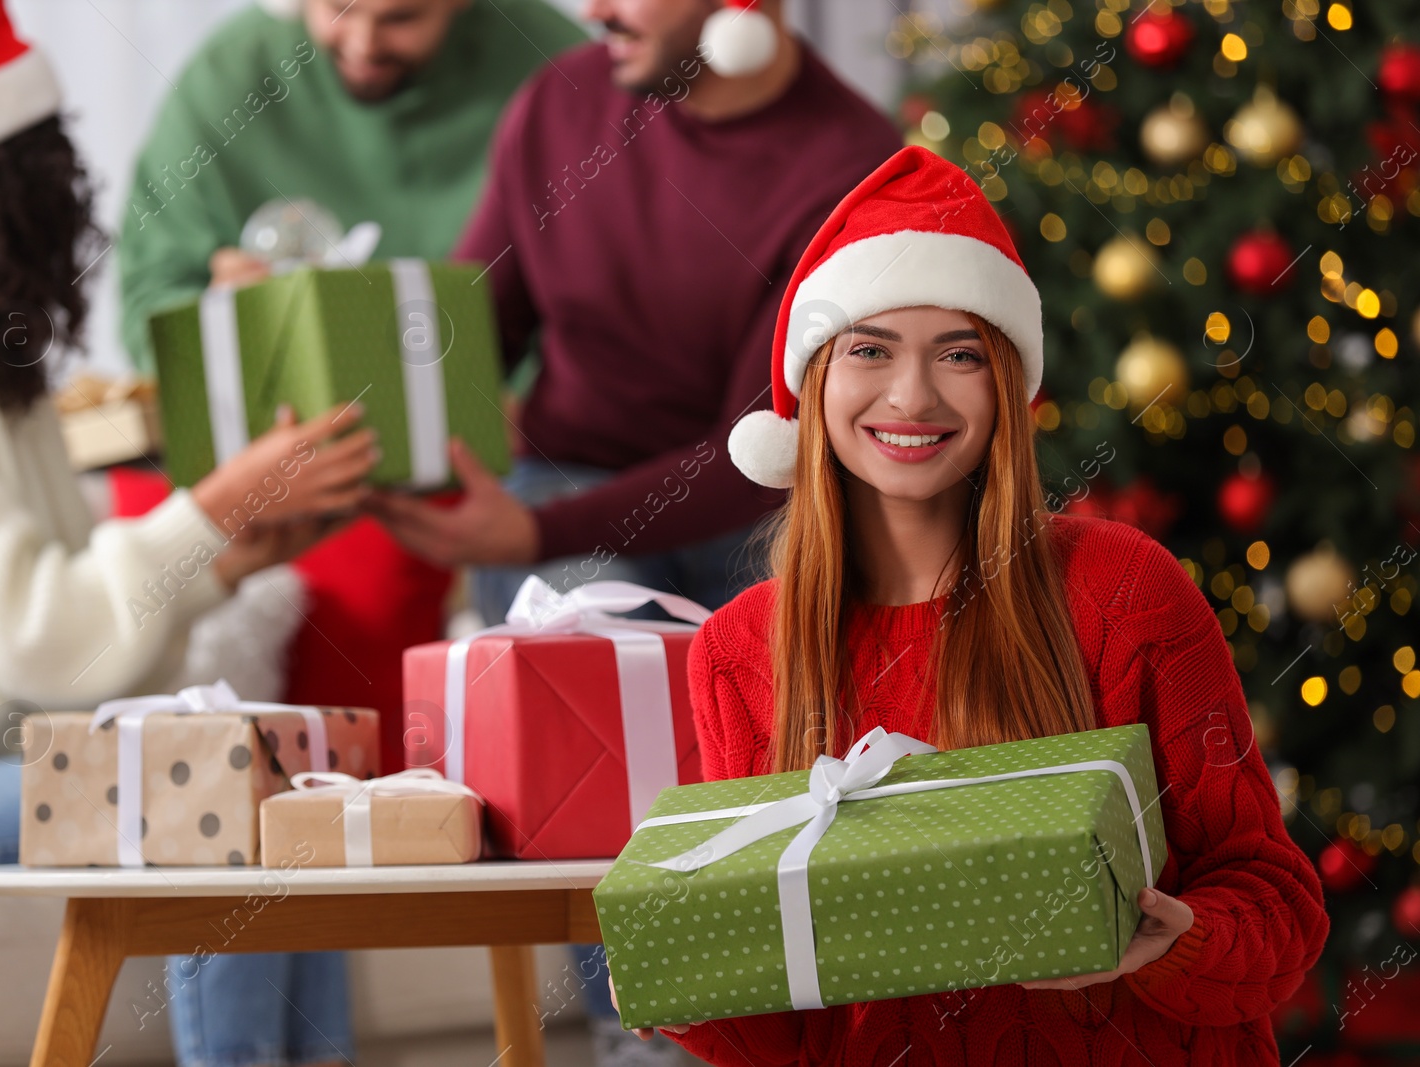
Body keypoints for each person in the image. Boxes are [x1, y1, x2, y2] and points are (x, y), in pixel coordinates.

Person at [610, 145, 1331, 1065]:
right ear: (814, 383)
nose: (911, 396)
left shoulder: (1121, 591)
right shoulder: (740, 649)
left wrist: (1170, 937)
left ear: (1006, 387)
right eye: (870, 350)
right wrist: (682, 972)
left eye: (959, 354)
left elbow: (1277, 907)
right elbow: (782, 1027)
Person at [0, 5, 377, 1066]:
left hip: (13, 751)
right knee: (218, 795)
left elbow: (85, 651)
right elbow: (41, 640)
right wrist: (210, 510)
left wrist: (225, 562)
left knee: (273, 787)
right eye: (47, 172)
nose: (70, 199)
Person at [116, 0, 587, 775]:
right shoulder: (229, 79)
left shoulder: (549, 66)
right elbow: (148, 297)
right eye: (337, 9)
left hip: (495, 462)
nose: (363, 43)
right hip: (272, 455)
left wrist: (532, 408)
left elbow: (603, 293)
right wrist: (216, 307)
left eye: (402, 17)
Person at [366, 0, 904, 627]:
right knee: (593, 651)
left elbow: (761, 455)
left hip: (755, 517)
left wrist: (533, 533)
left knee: (795, 686)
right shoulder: (560, 102)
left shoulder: (851, 162)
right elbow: (472, 330)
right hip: (566, 486)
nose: (596, 11)